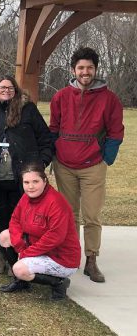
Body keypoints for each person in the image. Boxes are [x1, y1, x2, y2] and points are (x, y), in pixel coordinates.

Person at [49, 47, 124, 283]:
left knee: (92, 215)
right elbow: (53, 127)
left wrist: (106, 158)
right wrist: (53, 153)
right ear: (73, 70)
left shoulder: (109, 99)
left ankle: (91, 259)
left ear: (95, 70)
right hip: (65, 165)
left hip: (93, 164)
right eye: (81, 67)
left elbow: (115, 132)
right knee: (69, 214)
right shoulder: (61, 96)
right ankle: (70, 255)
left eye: (89, 68)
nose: (85, 72)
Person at [0, 75, 53, 274]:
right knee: (1, 215)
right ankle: (0, 253)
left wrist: (40, 163)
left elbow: (45, 139)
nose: (5, 90)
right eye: (1, 87)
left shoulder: (28, 110)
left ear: (16, 90)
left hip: (23, 177)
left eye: (9, 87)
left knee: (21, 218)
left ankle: (18, 256)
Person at [0, 162, 81, 300]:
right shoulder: (27, 196)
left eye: (35, 181)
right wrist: (19, 244)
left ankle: (59, 283)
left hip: (61, 257)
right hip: (38, 248)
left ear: (45, 181)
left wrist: (26, 253)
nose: (30, 186)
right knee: (5, 237)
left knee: (19, 269)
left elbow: (54, 238)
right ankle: (21, 282)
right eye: (26, 182)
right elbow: (15, 220)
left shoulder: (56, 203)